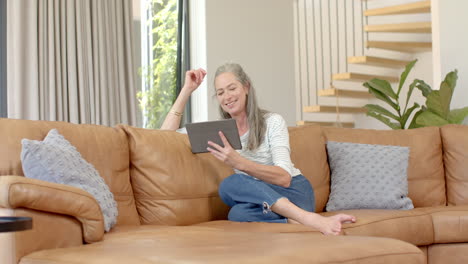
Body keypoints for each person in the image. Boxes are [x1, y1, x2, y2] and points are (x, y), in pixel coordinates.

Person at [161, 63, 356, 235]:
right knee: (237, 212)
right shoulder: (219, 132)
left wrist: (238, 163)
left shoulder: (273, 122)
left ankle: (309, 219)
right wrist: (187, 89)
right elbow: (163, 136)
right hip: (264, 201)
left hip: (296, 193)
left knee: (232, 182)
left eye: (231, 88)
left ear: (246, 87)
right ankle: (294, 219)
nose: (227, 97)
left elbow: (284, 178)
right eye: (220, 93)